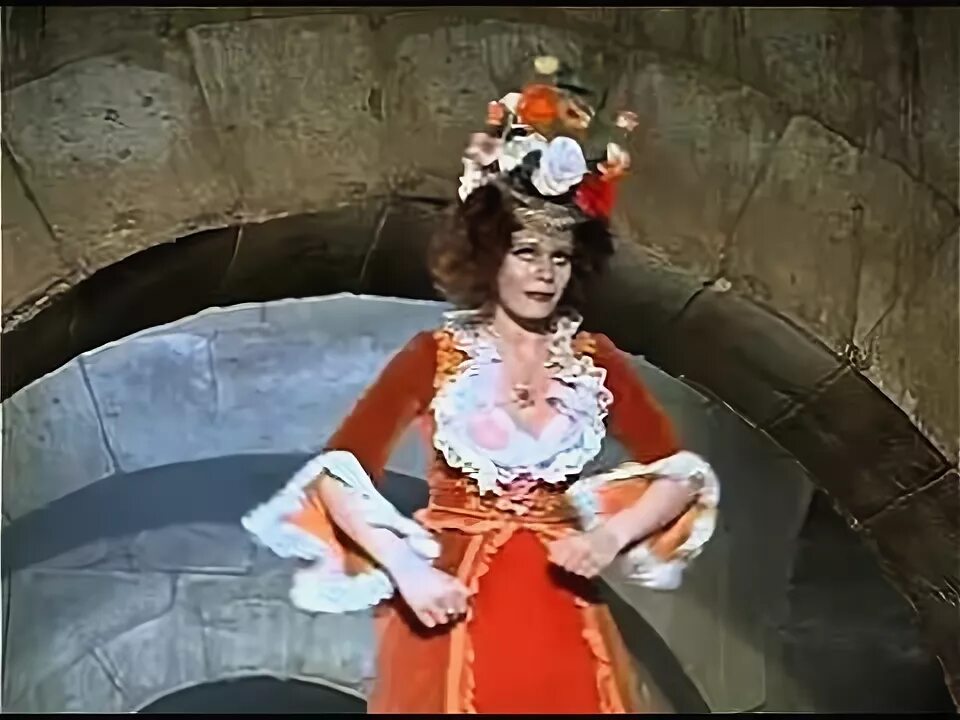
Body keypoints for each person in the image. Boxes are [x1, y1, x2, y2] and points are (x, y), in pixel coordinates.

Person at [242, 57, 720, 714]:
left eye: (559, 257)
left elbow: (679, 476)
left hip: (561, 612)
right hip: (453, 606)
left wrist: (607, 538)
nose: (544, 272)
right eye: (527, 252)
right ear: (491, 255)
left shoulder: (594, 361)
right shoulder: (434, 356)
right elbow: (336, 478)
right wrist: (408, 571)